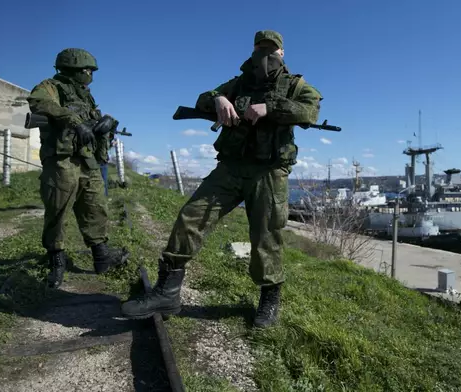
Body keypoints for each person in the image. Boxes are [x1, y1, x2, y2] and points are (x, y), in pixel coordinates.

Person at [121, 30, 323, 328]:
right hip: (230, 167)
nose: (265, 56)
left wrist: (271, 107)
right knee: (191, 216)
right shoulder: (238, 82)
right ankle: (168, 292)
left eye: (271, 50)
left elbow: (311, 111)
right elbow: (203, 98)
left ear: (281, 53)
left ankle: (269, 300)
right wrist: (218, 100)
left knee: (267, 235)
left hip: (268, 172)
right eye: (260, 49)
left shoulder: (295, 86)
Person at [27, 48, 130, 289]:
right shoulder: (51, 86)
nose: (90, 75)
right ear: (74, 68)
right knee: (58, 210)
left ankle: (101, 255)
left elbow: (93, 120)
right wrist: (74, 122)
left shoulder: (85, 96)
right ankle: (56, 260)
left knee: (96, 206)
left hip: (87, 160)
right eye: (87, 70)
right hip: (62, 160)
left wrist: (106, 122)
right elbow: (38, 102)